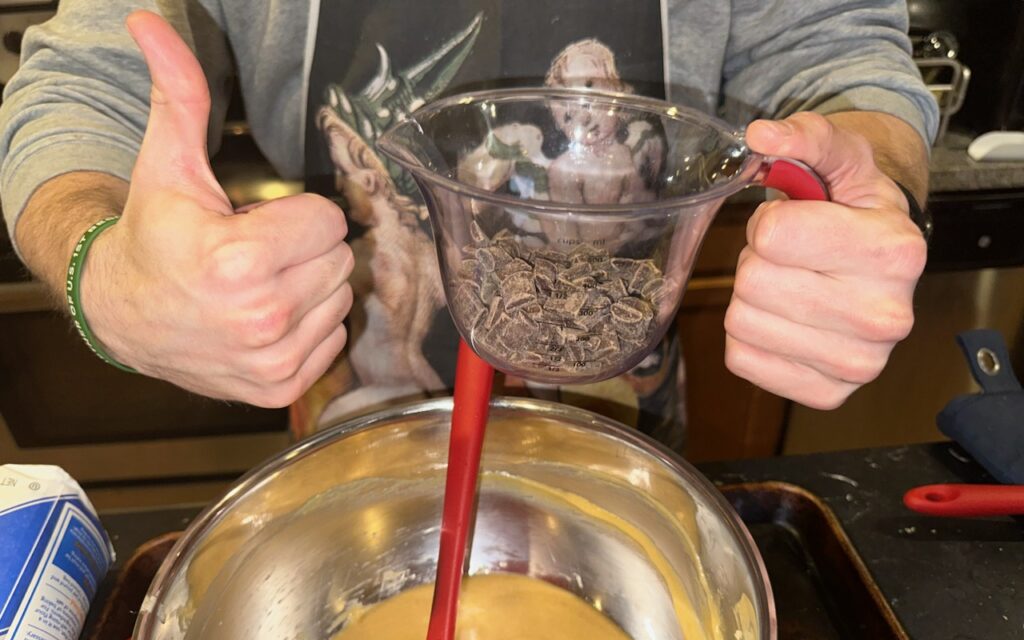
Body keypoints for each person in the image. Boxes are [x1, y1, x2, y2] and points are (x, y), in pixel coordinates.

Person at [0, 1, 936, 451]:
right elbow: (88, 80)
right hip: (353, 425)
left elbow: (835, 53)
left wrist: (871, 177)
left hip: (622, 422)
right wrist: (107, 275)